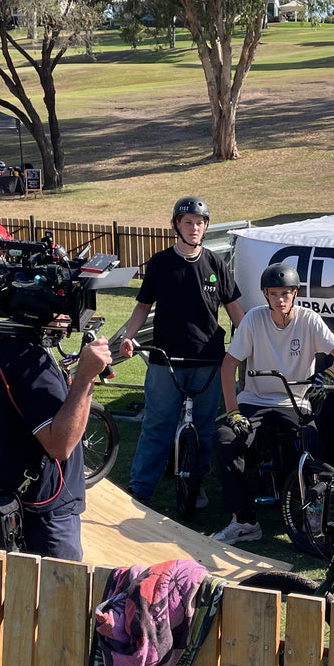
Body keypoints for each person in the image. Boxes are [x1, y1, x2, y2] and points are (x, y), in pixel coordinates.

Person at [211, 262, 334, 544]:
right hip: (254, 401)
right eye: (274, 294)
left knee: (312, 445)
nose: (280, 300)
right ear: (265, 294)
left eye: (285, 293)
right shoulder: (253, 319)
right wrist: (233, 412)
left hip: (295, 401)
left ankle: (314, 512)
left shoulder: (309, 320)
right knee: (224, 440)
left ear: (295, 293)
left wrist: (328, 374)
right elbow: (228, 366)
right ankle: (245, 520)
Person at [117, 196, 244, 506]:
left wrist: (251, 344)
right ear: (176, 224)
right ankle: (140, 488)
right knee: (158, 425)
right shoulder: (160, 263)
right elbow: (141, 308)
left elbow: (237, 312)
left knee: (203, 428)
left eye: (200, 223)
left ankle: (196, 484)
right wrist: (128, 338)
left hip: (209, 361)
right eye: (188, 222)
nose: (195, 228)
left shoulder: (216, 263)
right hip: (165, 360)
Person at [0, 303, 114, 562]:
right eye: (62, 310)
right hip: (47, 515)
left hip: (14, 494)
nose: (68, 318)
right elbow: (60, 446)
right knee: (60, 596)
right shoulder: (28, 358)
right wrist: (85, 376)